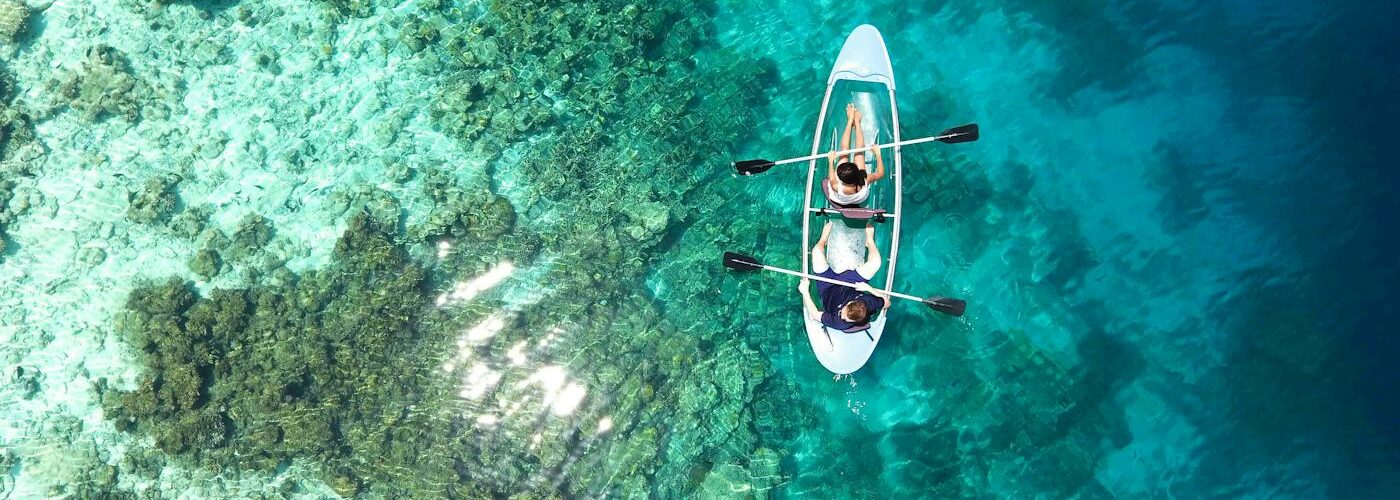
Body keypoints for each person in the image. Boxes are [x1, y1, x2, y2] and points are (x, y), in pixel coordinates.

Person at [797, 221, 891, 332]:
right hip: (850, 283)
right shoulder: (868, 302)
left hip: (827, 287)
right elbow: (887, 303)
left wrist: (805, 292)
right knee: (876, 262)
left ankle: (823, 240)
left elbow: (814, 314)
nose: (842, 316)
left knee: (816, 252)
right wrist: (869, 289)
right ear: (850, 302)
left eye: (845, 318)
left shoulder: (840, 323)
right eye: (844, 312)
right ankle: (868, 241)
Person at [824, 103, 886, 207]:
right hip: (860, 199)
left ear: (840, 179)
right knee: (859, 152)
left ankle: (850, 121)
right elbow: (880, 173)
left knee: (844, 152)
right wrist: (878, 154)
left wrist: (831, 161)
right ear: (857, 172)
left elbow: (831, 177)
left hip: (841, 199)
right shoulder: (864, 180)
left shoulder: (836, 186)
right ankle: (857, 122)